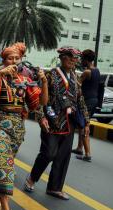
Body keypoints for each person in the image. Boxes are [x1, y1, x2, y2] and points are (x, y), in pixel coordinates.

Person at [0, 42, 47, 210]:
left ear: (21, 60)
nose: (13, 61)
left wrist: (44, 81)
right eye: (10, 58)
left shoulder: (25, 79)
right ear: (3, 60)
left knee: (2, 161)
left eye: (17, 58)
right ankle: (6, 209)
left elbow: (39, 103)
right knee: (5, 163)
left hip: (18, 127)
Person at [25, 47, 89, 201]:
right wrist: (41, 118)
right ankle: (32, 178)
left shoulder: (75, 77)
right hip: (52, 121)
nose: (74, 60)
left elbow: (80, 101)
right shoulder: (50, 75)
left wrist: (86, 122)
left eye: (76, 58)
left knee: (63, 156)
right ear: (62, 57)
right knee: (49, 153)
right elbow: (39, 99)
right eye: (71, 57)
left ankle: (55, 188)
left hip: (69, 123)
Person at [72, 49, 100, 162]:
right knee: (82, 124)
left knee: (84, 126)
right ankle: (79, 148)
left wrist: (73, 73)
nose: (80, 61)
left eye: (82, 59)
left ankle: (88, 154)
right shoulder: (97, 70)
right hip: (94, 100)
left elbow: (77, 84)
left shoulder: (87, 72)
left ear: (86, 60)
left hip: (87, 101)